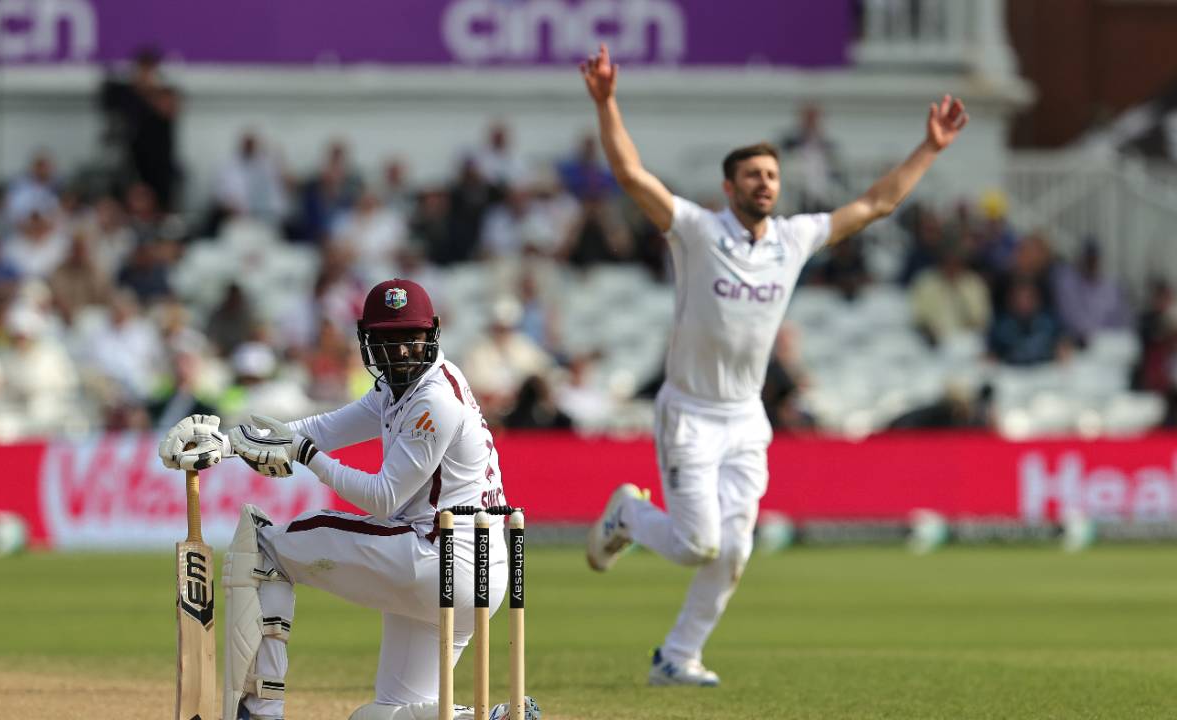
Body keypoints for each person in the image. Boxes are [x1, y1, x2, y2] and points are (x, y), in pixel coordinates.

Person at [578, 43, 968, 686]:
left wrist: (929, 148)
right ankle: (627, 515)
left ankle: (677, 657)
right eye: (753, 176)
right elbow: (631, 175)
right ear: (730, 188)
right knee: (698, 544)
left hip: (745, 418)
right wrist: (607, 101)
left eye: (772, 175)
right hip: (691, 414)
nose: (766, 183)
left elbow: (875, 205)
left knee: (735, 550)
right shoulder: (698, 231)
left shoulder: (794, 238)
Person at [158, 279, 527, 720]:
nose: (399, 352)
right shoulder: (400, 387)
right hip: (477, 571)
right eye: (386, 341)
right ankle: (492, 717)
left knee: (265, 546)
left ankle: (259, 709)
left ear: (432, 333)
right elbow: (325, 427)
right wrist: (230, 442)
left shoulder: (435, 400)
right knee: (386, 715)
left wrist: (308, 458)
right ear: (367, 341)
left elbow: (384, 498)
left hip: (441, 557)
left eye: (409, 339)